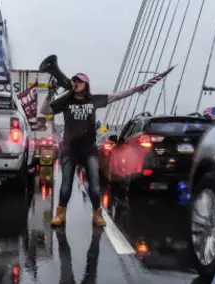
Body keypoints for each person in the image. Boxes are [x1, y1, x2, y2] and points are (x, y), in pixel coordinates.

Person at [40, 73, 149, 226]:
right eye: (74, 81)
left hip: (89, 150)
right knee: (66, 183)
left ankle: (97, 214)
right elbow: (44, 111)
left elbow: (117, 96)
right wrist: (50, 93)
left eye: (79, 81)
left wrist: (136, 89)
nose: (75, 83)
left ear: (86, 84)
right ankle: (60, 214)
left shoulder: (94, 100)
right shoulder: (65, 100)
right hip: (69, 150)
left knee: (95, 183)